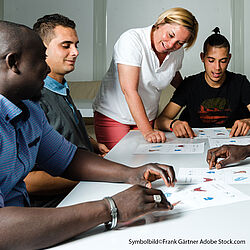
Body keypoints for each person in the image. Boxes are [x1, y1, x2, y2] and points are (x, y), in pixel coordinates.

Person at [0, 21, 177, 249]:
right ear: (13, 63)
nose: (46, 68)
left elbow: (69, 159)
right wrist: (111, 208)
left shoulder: (30, 109)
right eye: (39, 60)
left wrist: (133, 173)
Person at [24, 14, 109, 207]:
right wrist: (92, 175)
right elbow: (28, 182)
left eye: (76, 45)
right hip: (55, 205)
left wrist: (93, 144)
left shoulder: (60, 87)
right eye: (66, 45)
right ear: (41, 49)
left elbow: (65, 129)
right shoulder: (32, 99)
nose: (76, 52)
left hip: (85, 190)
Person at [93, 7, 198, 149]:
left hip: (148, 116)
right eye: (170, 35)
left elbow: (172, 74)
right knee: (122, 166)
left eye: (180, 42)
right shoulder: (131, 40)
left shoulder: (177, 52)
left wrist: (194, 95)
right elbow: (129, 90)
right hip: (115, 116)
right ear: (160, 23)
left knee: (148, 166)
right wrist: (148, 132)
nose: (171, 44)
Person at [155, 27, 250, 138]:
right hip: (195, 142)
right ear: (202, 57)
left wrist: (248, 122)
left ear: (229, 59)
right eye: (211, 60)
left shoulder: (240, 82)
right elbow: (159, 121)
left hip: (231, 143)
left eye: (223, 61)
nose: (217, 67)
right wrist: (173, 124)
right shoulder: (189, 84)